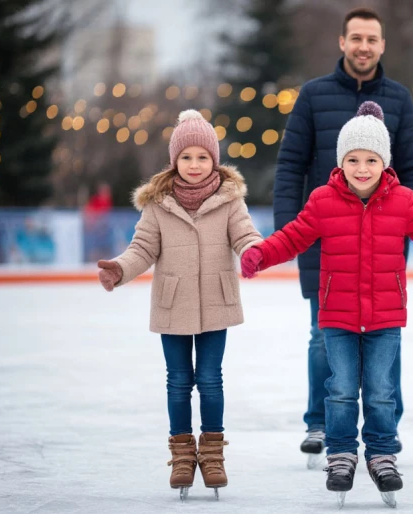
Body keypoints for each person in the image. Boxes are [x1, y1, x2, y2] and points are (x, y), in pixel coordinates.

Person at [243, 102, 413, 506]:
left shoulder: (402, 201)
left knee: (382, 391)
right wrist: (261, 253)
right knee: (342, 389)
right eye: (353, 159)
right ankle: (341, 453)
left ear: (384, 162)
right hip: (338, 317)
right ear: (340, 161)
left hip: (385, 317)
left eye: (370, 160)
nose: (361, 168)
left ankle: (382, 453)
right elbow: (292, 237)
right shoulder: (323, 201)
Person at [273, 6, 413, 463]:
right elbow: (290, 166)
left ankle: (386, 430)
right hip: (324, 240)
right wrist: (289, 231)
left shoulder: (399, 99)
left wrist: (408, 222)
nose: (363, 46)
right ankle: (319, 423)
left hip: (381, 244)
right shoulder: (313, 95)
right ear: (342, 42)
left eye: (372, 39)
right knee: (323, 336)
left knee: (385, 337)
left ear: (383, 46)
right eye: (355, 37)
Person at [95, 110, 263, 500]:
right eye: (186, 157)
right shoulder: (158, 204)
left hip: (216, 303)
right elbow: (142, 249)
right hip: (173, 305)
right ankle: (183, 455)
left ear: (214, 160)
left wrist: (255, 251)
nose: (194, 164)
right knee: (177, 383)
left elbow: (246, 235)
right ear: (174, 161)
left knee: (210, 380)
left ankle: (213, 455)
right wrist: (119, 269)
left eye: (202, 157)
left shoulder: (229, 199)